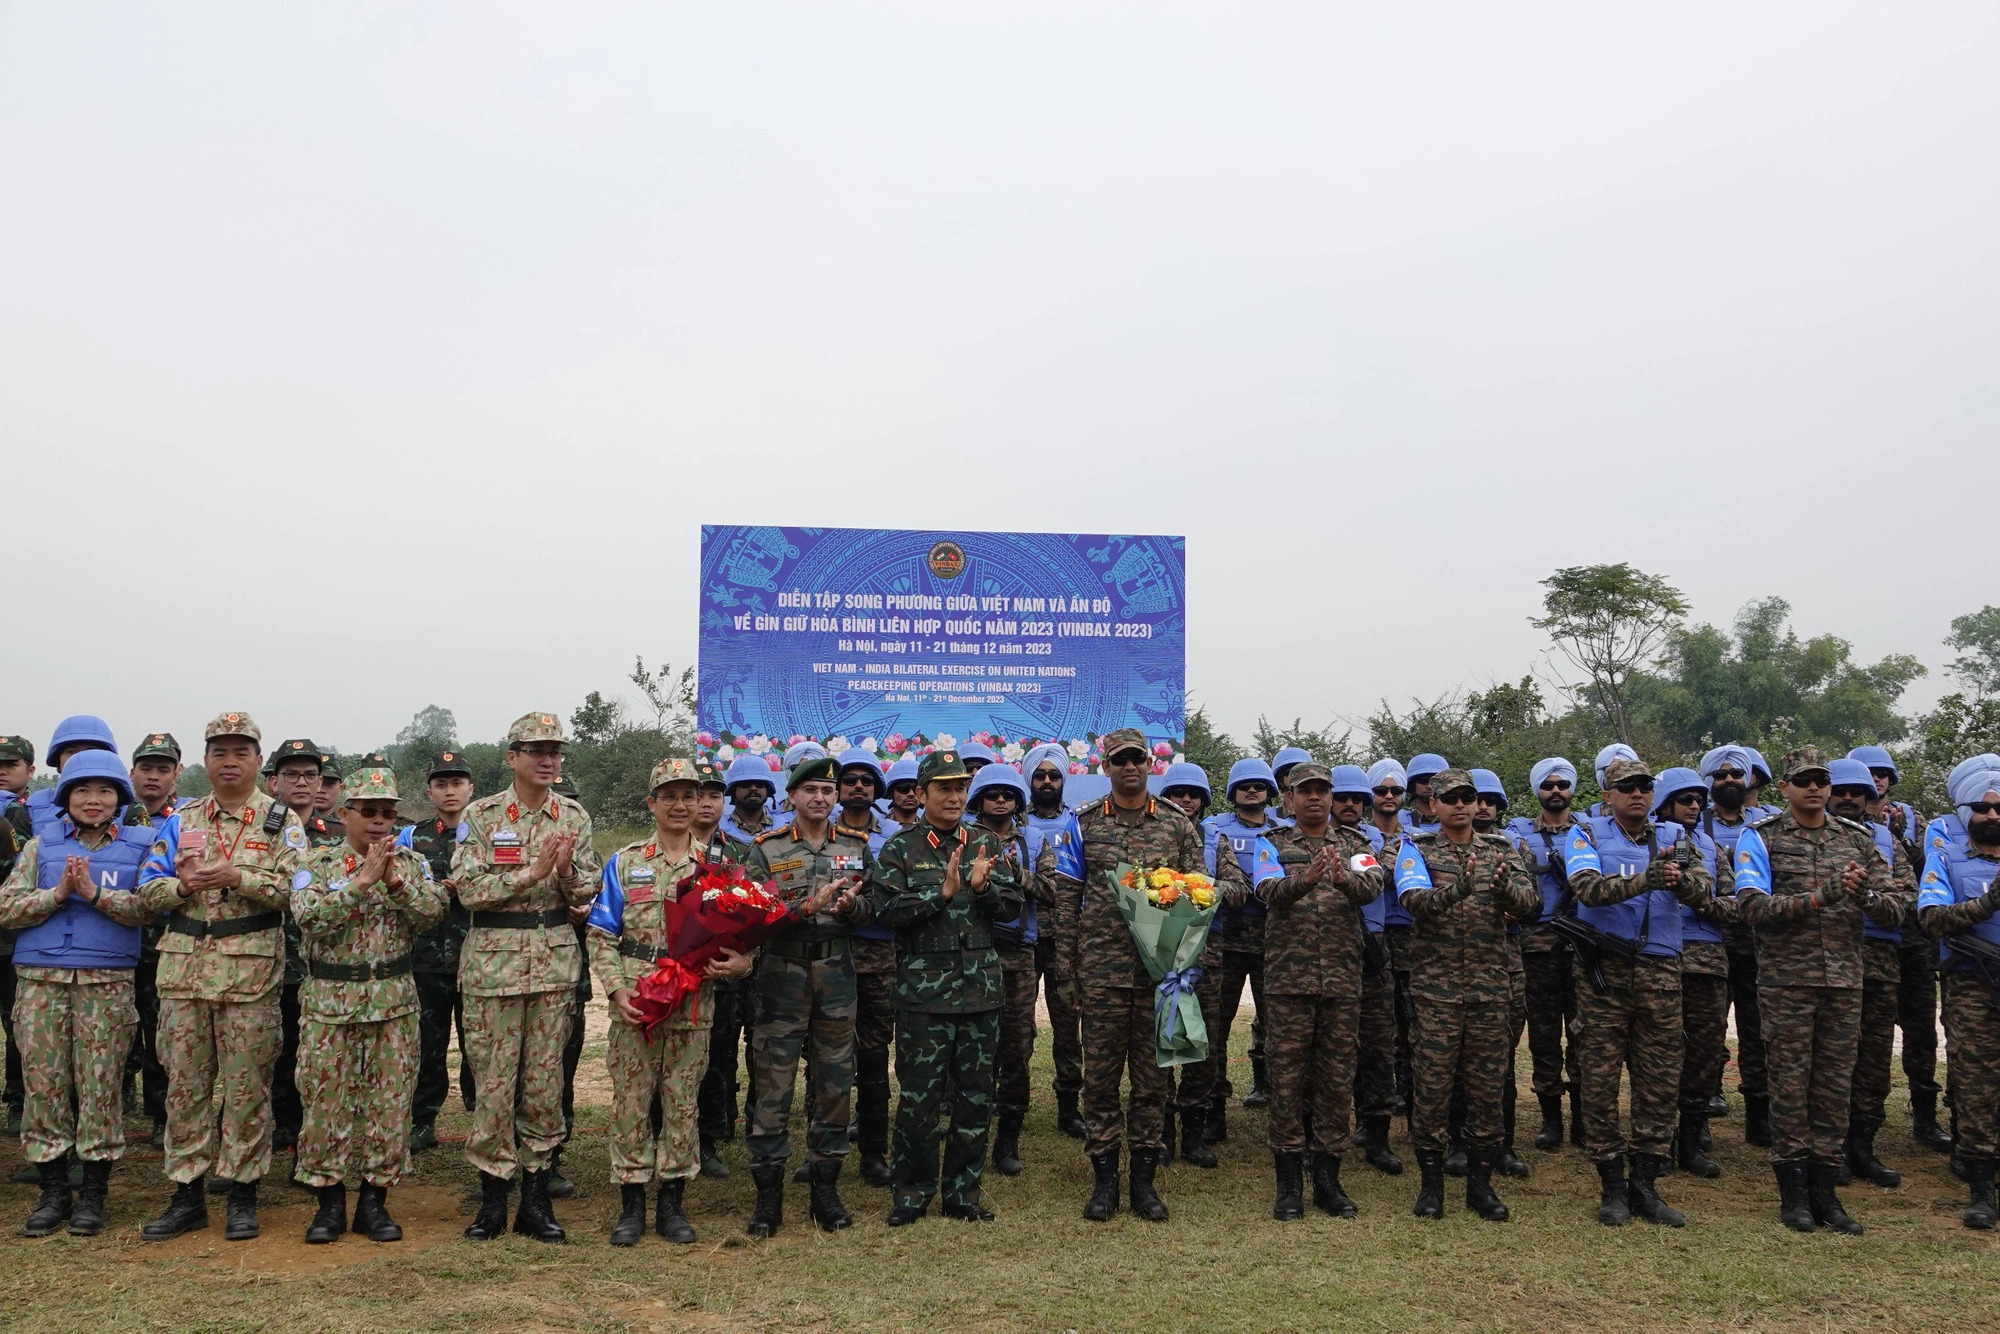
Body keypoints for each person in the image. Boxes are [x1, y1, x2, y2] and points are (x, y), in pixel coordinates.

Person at [136, 712, 308, 1242]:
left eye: (240, 752)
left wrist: (241, 877)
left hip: (248, 976)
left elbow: (298, 892)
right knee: (184, 1087)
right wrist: (182, 889)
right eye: (219, 752)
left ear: (259, 762)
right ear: (206, 761)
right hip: (184, 972)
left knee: (246, 1087)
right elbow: (147, 890)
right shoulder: (181, 819)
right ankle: (186, 1193)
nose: (229, 761)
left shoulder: (282, 823)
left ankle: (242, 1193)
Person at [1733, 746, 1909, 1235]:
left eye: (1821, 780)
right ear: (1785, 788)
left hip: (1844, 982)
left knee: (1833, 1087)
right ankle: (1793, 1195)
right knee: (1790, 1087)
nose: (1815, 787)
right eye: (1803, 780)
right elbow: (1750, 906)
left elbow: (1896, 910)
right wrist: (1817, 898)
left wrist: (1865, 897)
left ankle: (1827, 1194)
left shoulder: (1858, 840)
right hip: (1786, 983)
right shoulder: (1759, 837)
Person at [451, 712, 601, 1244]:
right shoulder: (482, 814)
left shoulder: (574, 816)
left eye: (555, 752)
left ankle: (535, 1199)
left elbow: (587, 891)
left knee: (543, 1083)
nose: (547, 760)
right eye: (536, 750)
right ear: (512, 757)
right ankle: (493, 1197)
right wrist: (530, 875)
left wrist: (564, 876)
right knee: (494, 1083)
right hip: (494, 966)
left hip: (554, 965)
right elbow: (467, 889)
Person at [589, 758, 752, 1246]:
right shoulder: (624, 862)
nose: (681, 805)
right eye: (670, 796)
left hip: (693, 1002)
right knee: (632, 1103)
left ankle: (672, 1205)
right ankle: (632, 1205)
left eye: (689, 795)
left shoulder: (717, 866)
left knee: (683, 1105)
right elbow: (600, 934)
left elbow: (742, 935)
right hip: (638, 1002)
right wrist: (617, 990)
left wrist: (743, 963)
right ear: (652, 803)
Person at [0, 751, 157, 1236]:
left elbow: (149, 908)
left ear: (120, 799)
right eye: (83, 790)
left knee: (100, 1088)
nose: (94, 800)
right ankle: (52, 1192)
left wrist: (93, 893)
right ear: (66, 797)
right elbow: (6, 908)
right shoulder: (39, 846)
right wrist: (57, 894)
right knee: (44, 1087)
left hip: (105, 983)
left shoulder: (142, 844)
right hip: (41, 982)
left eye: (105, 791)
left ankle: (92, 1194)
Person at [291, 764, 445, 1244]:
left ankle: (375, 1203)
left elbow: (431, 914)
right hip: (329, 1005)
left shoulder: (413, 863)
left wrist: (395, 883)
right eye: (368, 812)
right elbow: (308, 918)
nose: (379, 822)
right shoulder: (315, 863)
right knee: (325, 1103)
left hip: (393, 1003)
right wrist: (360, 883)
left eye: (387, 813)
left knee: (390, 1105)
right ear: (346, 812)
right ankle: (330, 1203)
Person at [1562, 757, 1714, 1228]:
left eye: (1645, 787)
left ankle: (1646, 1184)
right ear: (1608, 794)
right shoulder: (1585, 833)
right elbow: (1586, 888)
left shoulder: (1675, 838)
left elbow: (1707, 893)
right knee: (1600, 1080)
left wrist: (1680, 880)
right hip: (1603, 976)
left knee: (1660, 1080)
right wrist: (1644, 880)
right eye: (1626, 787)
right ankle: (1611, 1185)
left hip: (1661, 972)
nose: (1637, 795)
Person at [873, 749, 1022, 1224]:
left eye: (960, 787)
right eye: (944, 788)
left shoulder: (987, 844)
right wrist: (939, 895)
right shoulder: (900, 848)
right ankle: (912, 1194)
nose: (954, 796)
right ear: (921, 794)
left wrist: (984, 889)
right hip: (924, 996)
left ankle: (963, 1194)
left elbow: (1012, 908)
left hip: (979, 991)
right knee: (920, 1100)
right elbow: (885, 912)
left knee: (976, 1097)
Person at [1067, 728, 1204, 1223]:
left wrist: (1184, 962)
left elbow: (1197, 895)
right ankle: (1104, 1185)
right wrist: (1068, 971)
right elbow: (1066, 902)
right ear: (1106, 767)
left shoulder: (1176, 824)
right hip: (1101, 971)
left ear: (1151, 765)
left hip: (1159, 974)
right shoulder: (1082, 826)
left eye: (1137, 759)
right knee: (1100, 1081)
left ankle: (1144, 1185)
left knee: (1153, 1082)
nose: (1129, 767)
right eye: (1120, 760)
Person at [1392, 768, 1540, 1222]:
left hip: (1490, 990)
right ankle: (1431, 1186)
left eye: (1467, 797)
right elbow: (1413, 900)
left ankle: (1481, 1186)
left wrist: (1506, 890)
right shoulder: (1414, 849)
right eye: (1449, 798)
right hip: (1436, 992)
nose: (1460, 804)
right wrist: (1455, 891)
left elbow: (1531, 905)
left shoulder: (1500, 850)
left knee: (1487, 1090)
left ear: (1478, 804)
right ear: (1431, 805)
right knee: (1432, 1089)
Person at [740, 755, 874, 1236]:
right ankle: (768, 1198)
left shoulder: (855, 845)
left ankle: (825, 1190)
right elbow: (748, 914)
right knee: (772, 1083)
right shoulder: (765, 850)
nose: (820, 798)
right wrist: (800, 908)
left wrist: (855, 906)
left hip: (837, 973)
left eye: (828, 791)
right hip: (782, 972)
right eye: (810, 790)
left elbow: (875, 903)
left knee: (836, 1080)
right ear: (792, 797)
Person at [1261, 762, 1383, 1219]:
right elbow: (1266, 889)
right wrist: (1304, 880)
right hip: (1288, 981)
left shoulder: (1356, 844)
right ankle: (1289, 1181)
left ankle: (1329, 1179)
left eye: (1322, 791)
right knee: (1287, 1078)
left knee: (1336, 1078)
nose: (1314, 798)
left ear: (1332, 797)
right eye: (1304, 791)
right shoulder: (1271, 843)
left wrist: (1342, 878)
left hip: (1341, 979)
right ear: (1288, 799)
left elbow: (1372, 886)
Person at [1849, 744, 1952, 1155]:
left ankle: (1925, 1116)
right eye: (1867, 773)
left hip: (1914, 942)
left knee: (1921, 1031)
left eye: (1882, 773)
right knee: (1863, 1031)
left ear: (1891, 779)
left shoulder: (1911, 818)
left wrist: (1899, 838)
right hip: (1868, 940)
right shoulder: (1845, 819)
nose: (1875, 779)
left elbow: (1928, 869)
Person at [1825, 758, 1917, 1188]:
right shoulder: (1809, 836)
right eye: (1840, 790)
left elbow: (1905, 903)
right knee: (1829, 1059)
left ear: (1871, 798)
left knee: (1874, 1062)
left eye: (1858, 792)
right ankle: (1828, 1148)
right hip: (1822, 960)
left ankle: (1861, 1146)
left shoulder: (1886, 841)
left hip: (1878, 964)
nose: (1848, 798)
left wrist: (1867, 898)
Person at [1916, 760, 2000, 1228]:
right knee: (1976, 1087)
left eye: (1999, 808)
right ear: (1965, 812)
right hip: (1973, 985)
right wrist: (1989, 902)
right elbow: (1930, 918)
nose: (1992, 815)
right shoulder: (1946, 858)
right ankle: (1981, 1188)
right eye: (1982, 808)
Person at [1649, 767, 1734, 1180]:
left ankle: (1693, 1137)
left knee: (1703, 1054)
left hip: (1707, 963)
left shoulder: (1713, 850)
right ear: (1664, 805)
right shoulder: (1645, 842)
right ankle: (1658, 1142)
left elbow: (1734, 904)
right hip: (1658, 959)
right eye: (1686, 800)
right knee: (1661, 1056)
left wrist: (1701, 902)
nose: (1696, 806)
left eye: (1699, 800)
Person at [967, 761, 1048, 1178]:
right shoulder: (960, 838)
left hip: (1018, 959)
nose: (1001, 800)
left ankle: (1008, 1141)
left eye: (1009, 794)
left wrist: (1015, 871)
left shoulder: (1032, 841)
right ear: (977, 800)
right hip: (972, 956)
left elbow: (1054, 890)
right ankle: (971, 1138)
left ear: (1019, 801)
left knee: (1017, 1051)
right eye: (992, 794)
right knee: (972, 1053)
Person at [1507, 757, 1586, 1153]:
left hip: (1584, 950)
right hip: (1537, 948)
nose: (1556, 790)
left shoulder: (1588, 834)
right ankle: (1551, 1118)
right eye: (1549, 784)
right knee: (1543, 1037)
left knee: (1584, 1035)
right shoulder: (1518, 835)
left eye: (1563, 784)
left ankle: (1584, 1118)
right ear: (1538, 789)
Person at [401, 750, 478, 1153]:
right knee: (426, 1044)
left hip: (477, 956)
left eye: (457, 783)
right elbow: (398, 881)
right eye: (441, 784)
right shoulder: (412, 837)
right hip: (426, 958)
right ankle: (423, 1119)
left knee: (479, 1042)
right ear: (430, 791)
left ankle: (482, 1111)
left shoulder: (487, 830)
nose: (450, 791)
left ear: (471, 788)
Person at [1205, 757, 1287, 1125]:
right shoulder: (1213, 828)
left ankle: (1273, 1094)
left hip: (1276, 940)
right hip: (1228, 941)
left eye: (1258, 785)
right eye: (1244, 785)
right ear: (1232, 793)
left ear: (1270, 791)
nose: (1252, 790)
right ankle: (1214, 1102)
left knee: (1278, 1025)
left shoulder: (1286, 830)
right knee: (1216, 1025)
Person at [1701, 744, 1774, 1147]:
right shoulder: (1696, 825)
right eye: (1721, 775)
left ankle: (1759, 1115)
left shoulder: (1766, 825)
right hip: (1712, 943)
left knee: (1757, 1031)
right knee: (1707, 1031)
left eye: (1736, 775)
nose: (1730, 780)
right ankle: (1707, 1101)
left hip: (1758, 946)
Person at [833, 747, 898, 1187]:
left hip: (881, 959)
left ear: (876, 791)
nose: (859, 786)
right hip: (831, 956)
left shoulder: (896, 835)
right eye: (850, 779)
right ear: (838, 790)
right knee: (827, 1058)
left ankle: (874, 1153)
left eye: (867, 781)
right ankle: (828, 1147)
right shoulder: (818, 835)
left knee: (875, 1059)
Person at [1333, 764, 1402, 1176]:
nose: (1351, 805)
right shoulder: (1305, 839)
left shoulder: (1377, 840)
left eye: (1359, 799)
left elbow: (1383, 877)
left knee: (1378, 1046)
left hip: (1372, 946)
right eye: (1343, 798)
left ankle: (1376, 1136)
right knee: (1331, 1047)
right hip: (1326, 947)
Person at [269, 738, 336, 1161]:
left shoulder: (340, 838)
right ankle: (269, 1133)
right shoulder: (258, 829)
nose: (302, 782)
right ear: (273, 781)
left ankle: (306, 1142)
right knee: (265, 1057)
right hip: (265, 961)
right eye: (291, 774)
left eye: (310, 775)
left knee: (312, 1059)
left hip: (317, 966)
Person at [1157, 762, 1225, 1166]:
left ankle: (1195, 1136)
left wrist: (1203, 889)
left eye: (1193, 794)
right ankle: (1162, 1131)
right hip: (1159, 958)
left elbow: (1237, 887)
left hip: (1205, 960)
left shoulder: (1216, 841)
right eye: (1178, 792)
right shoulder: (1153, 836)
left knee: (1204, 1047)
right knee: (1161, 1043)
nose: (1185, 800)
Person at [1021, 743, 1086, 1141]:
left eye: (1054, 775)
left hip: (1068, 940)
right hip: (1024, 939)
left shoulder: (1079, 823)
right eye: (1040, 775)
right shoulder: (1015, 826)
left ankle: (1069, 1107)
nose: (1047, 781)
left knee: (1068, 1027)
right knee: (1018, 1028)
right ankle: (1011, 1101)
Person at [692, 757, 752, 1178]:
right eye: (698, 795)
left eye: (715, 795)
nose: (706, 803)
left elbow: (757, 911)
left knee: (718, 1057)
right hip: (676, 972)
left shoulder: (741, 852)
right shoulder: (662, 848)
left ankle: (709, 1139)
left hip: (725, 972)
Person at [1470, 769, 1531, 1178]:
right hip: (1450, 969)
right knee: (1452, 1063)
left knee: (1499, 1062)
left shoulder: (1506, 848)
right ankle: (1461, 1143)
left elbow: (1531, 901)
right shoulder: (1423, 846)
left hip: (1503, 965)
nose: (1482, 806)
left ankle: (1502, 1144)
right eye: (1477, 799)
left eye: (1491, 800)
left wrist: (1511, 899)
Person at [125, 732, 184, 1148]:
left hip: (165, 944)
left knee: (162, 1035)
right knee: (116, 1034)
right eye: (146, 767)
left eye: (163, 769)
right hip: (116, 943)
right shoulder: (113, 815)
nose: (153, 776)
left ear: (177, 774)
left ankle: (161, 1114)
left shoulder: (189, 819)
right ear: (132, 772)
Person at [1368, 758, 1420, 1146]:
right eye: (1381, 790)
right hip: (1373, 940)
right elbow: (1374, 880)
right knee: (1375, 1031)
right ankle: (1372, 1115)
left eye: (1395, 791)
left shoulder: (1420, 836)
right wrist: (1393, 858)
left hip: (1415, 940)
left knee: (1416, 1028)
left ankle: (1415, 1103)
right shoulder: (1359, 837)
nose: (1388, 797)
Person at [0, 735, 33, 1142]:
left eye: (11, 764)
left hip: (12, 940)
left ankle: (18, 1103)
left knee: (18, 1027)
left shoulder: (24, 817)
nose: (2, 770)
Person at [721, 753, 782, 843]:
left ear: (768, 791)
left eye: (759, 784)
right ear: (733, 791)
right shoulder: (718, 828)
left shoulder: (783, 827)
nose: (753, 788)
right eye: (745, 784)